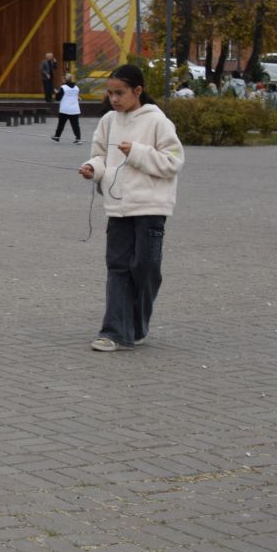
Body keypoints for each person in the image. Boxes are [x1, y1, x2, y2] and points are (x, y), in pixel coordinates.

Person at [79, 62, 183, 353]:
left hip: (150, 208)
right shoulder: (108, 121)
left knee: (146, 269)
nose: (114, 99)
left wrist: (137, 153)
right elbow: (101, 156)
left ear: (138, 91)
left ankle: (136, 325)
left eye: (120, 93)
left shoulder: (158, 121)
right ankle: (113, 332)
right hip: (117, 208)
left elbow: (173, 162)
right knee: (118, 268)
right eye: (110, 93)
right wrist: (92, 168)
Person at [52, 74, 82, 144]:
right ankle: (78, 138)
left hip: (65, 109)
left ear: (66, 80)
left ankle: (57, 137)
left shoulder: (63, 87)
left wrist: (56, 93)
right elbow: (75, 95)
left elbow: (58, 98)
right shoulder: (76, 87)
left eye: (63, 79)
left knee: (61, 124)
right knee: (75, 125)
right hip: (75, 109)